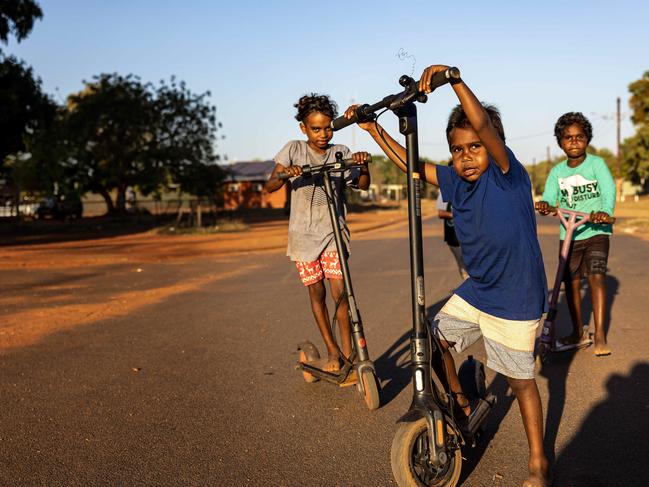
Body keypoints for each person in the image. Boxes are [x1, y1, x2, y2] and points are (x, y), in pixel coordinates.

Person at [346, 65, 549, 487]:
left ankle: (538, 463)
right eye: (457, 150)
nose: (466, 156)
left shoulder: (507, 174)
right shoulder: (455, 182)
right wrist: (373, 131)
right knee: (430, 337)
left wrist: (455, 81)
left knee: (520, 381)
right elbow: (414, 167)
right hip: (479, 290)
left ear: (494, 146)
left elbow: (479, 122)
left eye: (476, 146)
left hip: (515, 297)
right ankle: (458, 401)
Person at [265, 93, 371, 376]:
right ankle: (331, 349)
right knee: (318, 292)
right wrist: (287, 173)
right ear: (303, 128)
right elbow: (270, 186)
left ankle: (349, 353)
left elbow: (362, 183)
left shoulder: (341, 151)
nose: (323, 134)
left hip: (333, 233)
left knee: (341, 294)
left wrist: (363, 164)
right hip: (303, 236)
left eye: (327, 128)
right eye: (316, 129)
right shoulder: (294, 149)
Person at [535, 112, 615, 357]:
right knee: (569, 284)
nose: (574, 141)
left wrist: (604, 212)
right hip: (570, 234)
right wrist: (546, 204)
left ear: (587, 139)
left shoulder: (596, 165)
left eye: (579, 137)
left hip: (596, 230)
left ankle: (600, 335)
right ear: (560, 142)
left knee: (596, 277)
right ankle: (578, 331)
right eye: (568, 137)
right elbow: (549, 195)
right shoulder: (557, 172)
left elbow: (608, 189)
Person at [436, 161, 468, 281]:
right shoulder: (444, 192)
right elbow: (441, 213)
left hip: (469, 237)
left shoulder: (469, 188)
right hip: (453, 238)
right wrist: (456, 215)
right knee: (464, 268)